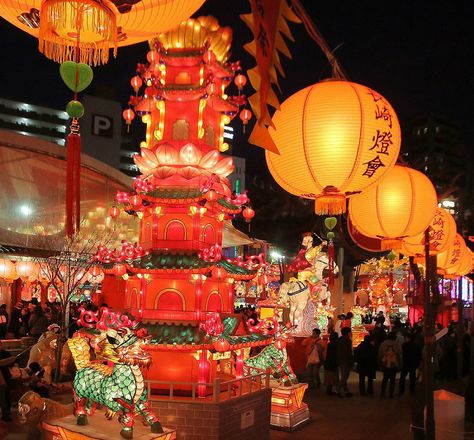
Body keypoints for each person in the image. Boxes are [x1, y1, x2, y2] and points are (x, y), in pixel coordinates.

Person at [379, 332, 402, 398]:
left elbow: (380, 354)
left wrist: (380, 363)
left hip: (385, 363)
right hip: (394, 364)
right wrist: (400, 364)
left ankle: (383, 392)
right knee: (392, 380)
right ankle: (391, 393)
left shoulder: (383, 344)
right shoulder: (397, 344)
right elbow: (400, 355)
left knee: (385, 379)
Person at [0, 340, 15, 421]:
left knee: (4, 397)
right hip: (2, 379)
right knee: (3, 398)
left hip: (4, 378)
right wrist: (10, 359)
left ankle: (6, 414)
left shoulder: (4, 353)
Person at [337, 327, 354, 397]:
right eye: (350, 332)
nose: (351, 333)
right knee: (345, 376)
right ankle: (338, 389)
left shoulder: (339, 340)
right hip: (346, 360)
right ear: (348, 333)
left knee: (344, 375)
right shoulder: (348, 340)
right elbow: (349, 352)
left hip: (340, 359)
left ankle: (346, 390)